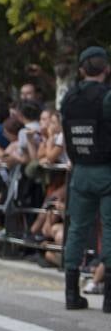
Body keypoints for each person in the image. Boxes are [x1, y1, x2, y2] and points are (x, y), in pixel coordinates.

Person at [60, 46, 111, 312]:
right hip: (106, 170)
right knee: (110, 228)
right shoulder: (107, 97)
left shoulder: (69, 98)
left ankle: (71, 293)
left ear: (81, 70)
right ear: (107, 69)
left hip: (79, 169)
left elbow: (67, 134)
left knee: (77, 230)